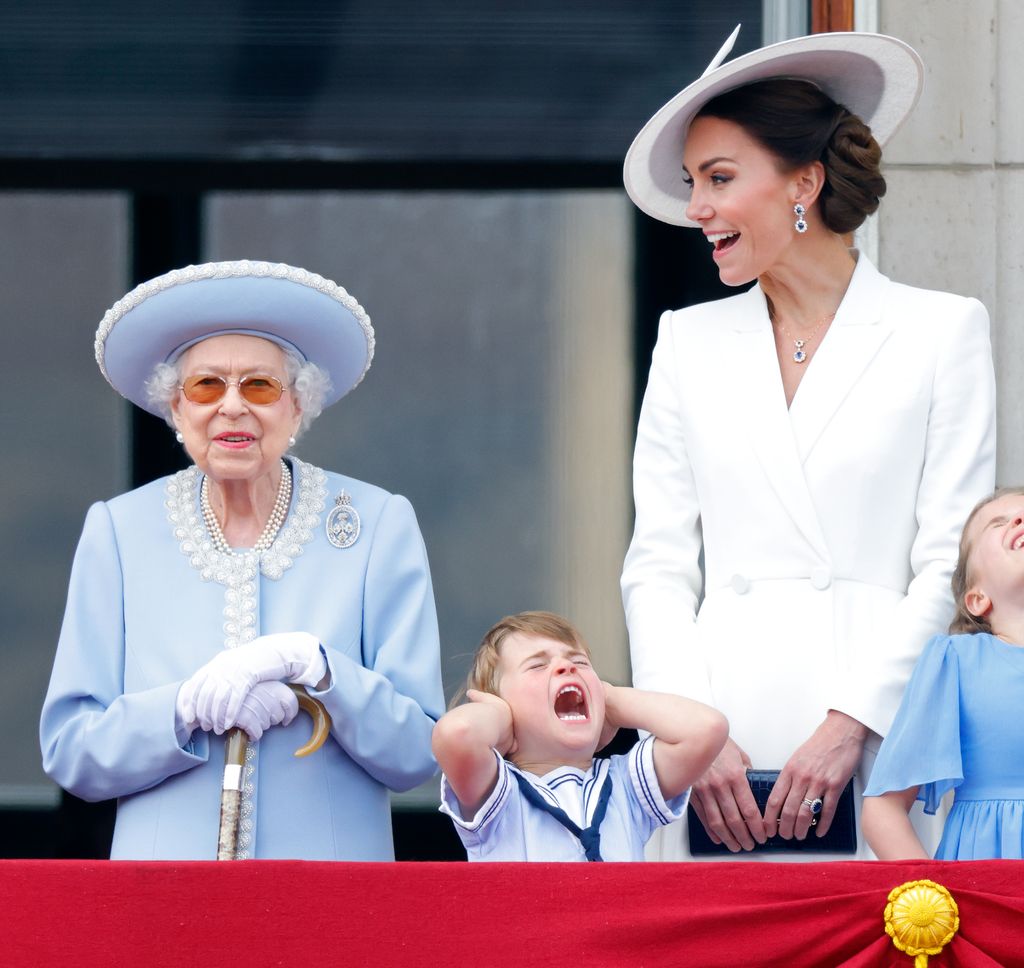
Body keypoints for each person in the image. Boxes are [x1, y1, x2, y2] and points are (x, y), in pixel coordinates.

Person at [619, 29, 997, 859]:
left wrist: (854, 722)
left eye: (719, 179)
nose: (697, 209)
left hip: (882, 739)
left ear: (805, 182)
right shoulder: (687, 341)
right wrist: (690, 732)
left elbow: (949, 562)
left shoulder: (941, 330)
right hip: (718, 745)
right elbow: (658, 565)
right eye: (693, 184)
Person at [40, 260, 444, 860]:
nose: (232, 407)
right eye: (206, 386)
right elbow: (72, 752)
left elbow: (417, 752)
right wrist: (180, 709)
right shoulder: (119, 531)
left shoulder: (377, 524)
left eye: (260, 386)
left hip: (332, 901)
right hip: (163, 901)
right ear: (176, 410)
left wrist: (319, 668)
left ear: (297, 409)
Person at [432, 610, 727, 861]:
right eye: (537, 665)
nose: (567, 666)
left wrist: (608, 698)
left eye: (581, 664)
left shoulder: (627, 786)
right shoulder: (498, 791)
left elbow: (706, 728)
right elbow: (456, 734)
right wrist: (502, 717)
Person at [862, 488, 1024, 860]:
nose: (1019, 521)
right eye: (1000, 523)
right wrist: (933, 904)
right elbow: (883, 810)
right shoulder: (954, 662)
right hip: (982, 886)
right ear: (977, 597)